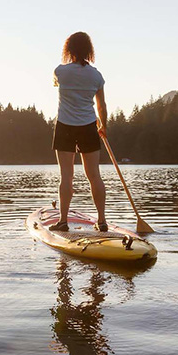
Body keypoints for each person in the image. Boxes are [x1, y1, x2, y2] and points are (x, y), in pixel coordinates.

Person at [50, 32, 108, 232]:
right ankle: (101, 221)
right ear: (88, 50)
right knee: (94, 176)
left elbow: (55, 82)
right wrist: (104, 126)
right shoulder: (96, 76)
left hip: (65, 126)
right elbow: (101, 107)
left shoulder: (60, 71)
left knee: (66, 176)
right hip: (89, 126)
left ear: (69, 49)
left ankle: (63, 221)